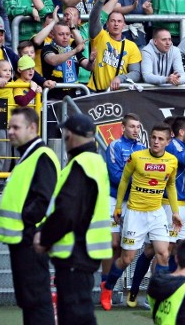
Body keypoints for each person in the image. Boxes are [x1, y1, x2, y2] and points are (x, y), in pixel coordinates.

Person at [34, 112, 112, 325]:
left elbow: (67, 212)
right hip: (84, 250)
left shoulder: (82, 164)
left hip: (75, 251)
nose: (64, 136)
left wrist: (44, 237)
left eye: (66, 132)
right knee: (78, 313)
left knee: (75, 314)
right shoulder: (93, 161)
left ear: (73, 135)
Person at [102, 124, 182, 309]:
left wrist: (175, 212)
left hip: (157, 213)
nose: (156, 141)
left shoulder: (172, 161)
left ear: (168, 142)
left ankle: (155, 296)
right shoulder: (137, 157)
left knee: (163, 254)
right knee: (127, 258)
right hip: (135, 213)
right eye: (154, 137)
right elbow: (123, 180)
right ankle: (108, 287)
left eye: (161, 139)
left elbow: (170, 186)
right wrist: (118, 208)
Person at [0, 107, 60, 325]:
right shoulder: (28, 155)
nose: (10, 132)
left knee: (36, 299)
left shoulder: (41, 155)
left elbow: (44, 199)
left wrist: (25, 223)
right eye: (9, 127)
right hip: (23, 239)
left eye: (16, 127)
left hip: (30, 239)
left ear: (32, 128)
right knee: (29, 299)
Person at [87, 0, 143, 91]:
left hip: (117, 95)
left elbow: (136, 73)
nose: (116, 24)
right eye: (112, 21)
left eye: (119, 21)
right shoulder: (100, 36)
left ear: (124, 25)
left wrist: (121, 78)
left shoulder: (131, 46)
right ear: (107, 24)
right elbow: (93, 19)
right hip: (95, 92)